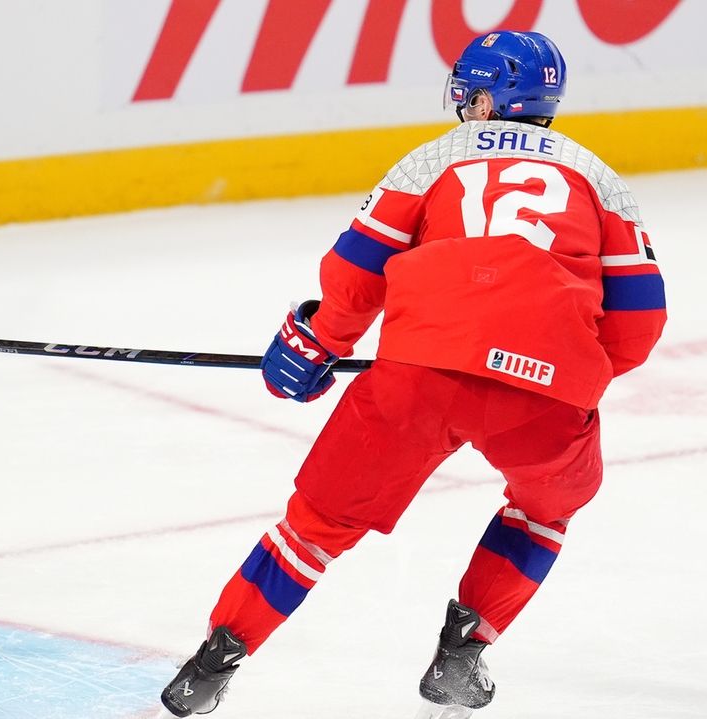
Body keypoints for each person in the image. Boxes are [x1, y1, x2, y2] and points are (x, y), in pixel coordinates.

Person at [159, 30, 666, 717]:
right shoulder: (600, 179)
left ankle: (216, 654)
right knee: (546, 509)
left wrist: (315, 342)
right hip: (546, 393)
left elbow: (355, 276)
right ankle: (464, 648)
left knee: (314, 526)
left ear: (488, 101)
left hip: (418, 376)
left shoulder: (432, 159)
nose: (464, 106)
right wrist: (567, 367)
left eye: (470, 93)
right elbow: (639, 321)